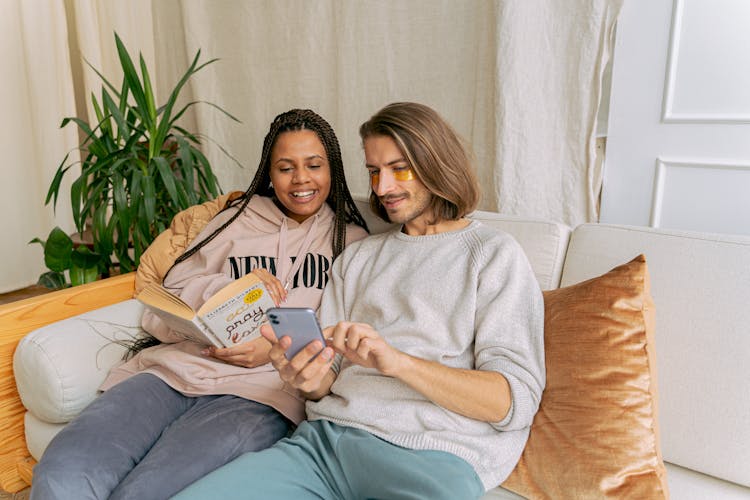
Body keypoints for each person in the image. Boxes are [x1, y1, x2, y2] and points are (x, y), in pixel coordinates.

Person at [174, 102, 545, 499]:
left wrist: (397, 362)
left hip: (431, 460)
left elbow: (513, 401)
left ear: (435, 163)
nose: (382, 188)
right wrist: (306, 377)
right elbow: (325, 382)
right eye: (373, 172)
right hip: (323, 448)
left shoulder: (491, 254)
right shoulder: (358, 257)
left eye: (398, 169)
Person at [30, 109, 369, 500]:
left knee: (150, 492)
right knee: (62, 474)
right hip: (171, 374)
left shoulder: (352, 244)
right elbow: (170, 292)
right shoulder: (233, 221)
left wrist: (275, 347)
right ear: (269, 174)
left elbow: (346, 335)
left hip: (258, 398)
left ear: (334, 170)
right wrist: (232, 289)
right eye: (285, 167)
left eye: (314, 165)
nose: (301, 179)